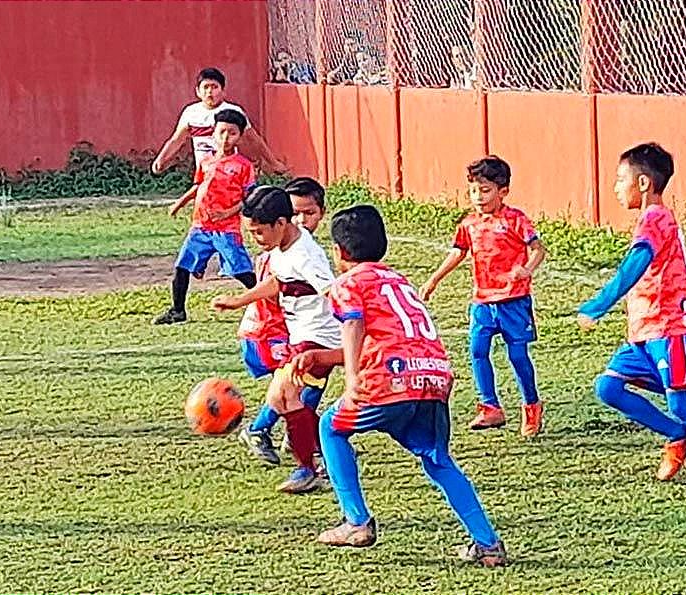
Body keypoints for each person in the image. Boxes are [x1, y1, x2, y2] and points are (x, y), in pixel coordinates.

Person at [290, 205, 506, 566]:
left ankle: (356, 522)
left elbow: (354, 325)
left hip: (389, 378)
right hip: (433, 376)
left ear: (340, 252)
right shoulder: (399, 282)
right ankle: (487, 543)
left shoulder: (349, 283)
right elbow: (388, 339)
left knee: (330, 427)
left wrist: (352, 378)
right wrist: (322, 358)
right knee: (438, 460)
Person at [577, 142, 686, 493]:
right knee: (608, 387)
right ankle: (678, 435)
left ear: (643, 183)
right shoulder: (650, 220)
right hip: (646, 334)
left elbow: (636, 264)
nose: (615, 187)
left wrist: (599, 304)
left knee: (680, 402)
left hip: (673, 328)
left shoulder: (657, 217)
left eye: (620, 179)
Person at [211, 186, 341, 494]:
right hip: (302, 336)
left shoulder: (306, 256)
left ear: (281, 223)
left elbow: (333, 292)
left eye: (258, 232)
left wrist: (360, 332)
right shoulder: (282, 249)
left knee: (283, 396)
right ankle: (313, 464)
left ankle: (312, 466)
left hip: (319, 338)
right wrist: (239, 301)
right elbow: (279, 281)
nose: (255, 238)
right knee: (286, 400)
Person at [420, 156, 546, 435]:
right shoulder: (469, 224)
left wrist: (526, 269)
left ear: (503, 191)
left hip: (513, 301)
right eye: (473, 190)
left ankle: (531, 405)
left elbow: (538, 248)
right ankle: (490, 407)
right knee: (477, 351)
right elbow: (458, 251)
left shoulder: (515, 220)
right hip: (482, 301)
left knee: (517, 355)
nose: (478, 197)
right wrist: (434, 280)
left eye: (485, 190)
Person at [238, 177, 328, 466]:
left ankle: (300, 445)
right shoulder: (277, 251)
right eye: (297, 212)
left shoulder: (299, 248)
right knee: (291, 389)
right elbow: (278, 290)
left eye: (308, 213)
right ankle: (266, 433)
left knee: (307, 385)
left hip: (308, 331)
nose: (302, 219)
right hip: (271, 332)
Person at [152, 109, 256, 325]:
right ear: (213, 134)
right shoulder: (207, 161)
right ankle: (178, 310)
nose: (226, 138)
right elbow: (199, 186)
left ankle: (269, 301)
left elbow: (250, 197)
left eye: (232, 133)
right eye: (222, 132)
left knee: (241, 270)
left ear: (240, 136)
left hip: (226, 229)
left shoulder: (243, 166)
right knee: (182, 267)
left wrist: (227, 213)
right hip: (200, 226)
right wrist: (179, 203)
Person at [151, 67, 286, 175]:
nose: (210, 92)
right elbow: (176, 140)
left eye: (214, 87)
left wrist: (273, 163)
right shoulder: (190, 113)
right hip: (204, 172)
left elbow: (253, 139)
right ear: (198, 91)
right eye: (206, 87)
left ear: (223, 91)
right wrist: (161, 160)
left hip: (230, 171)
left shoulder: (233, 111)